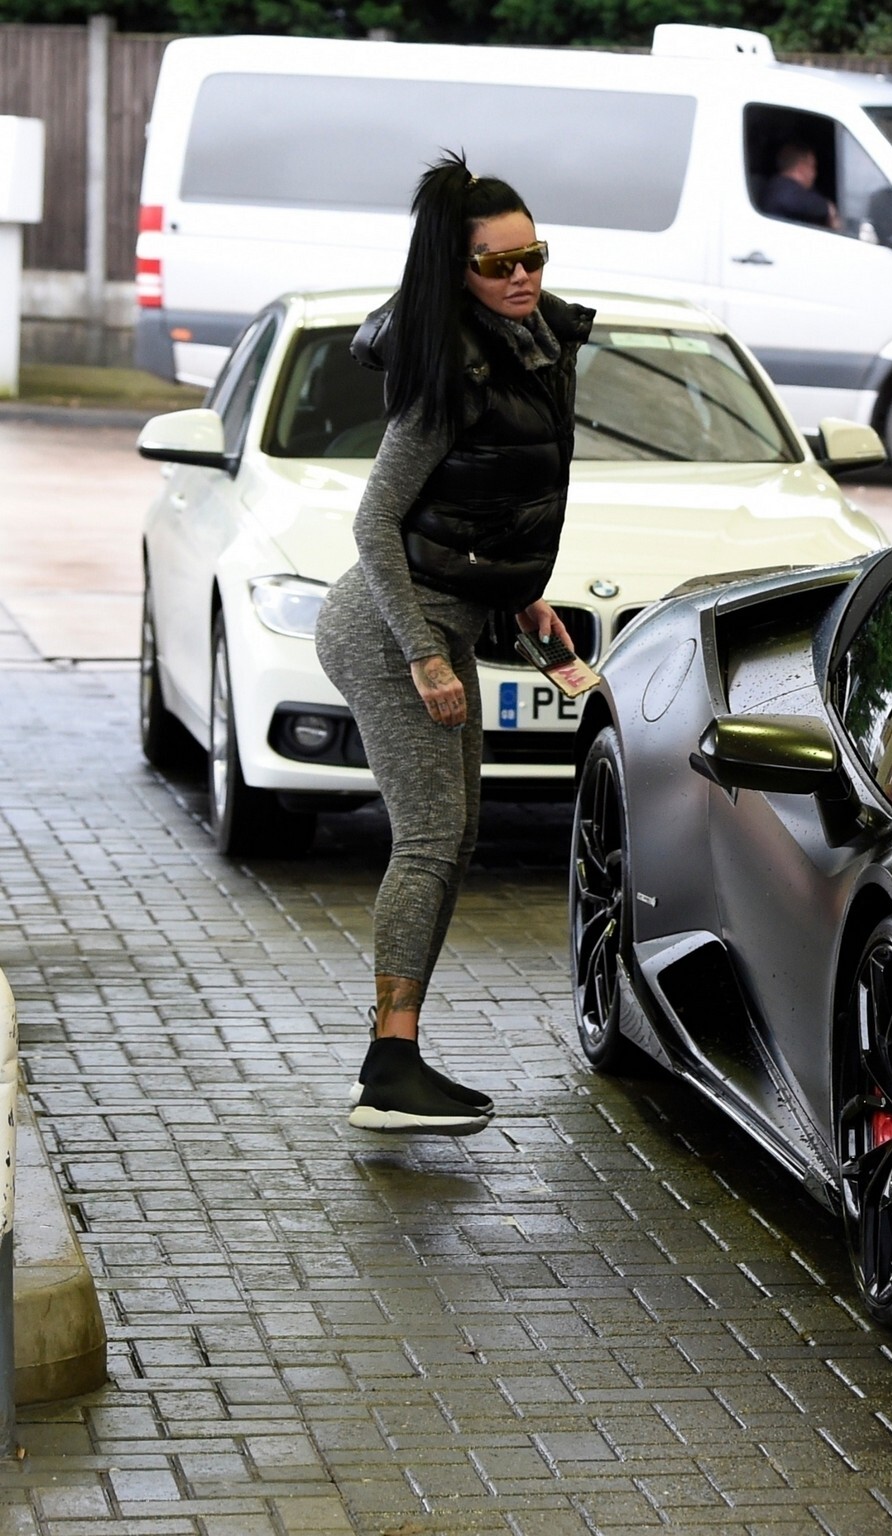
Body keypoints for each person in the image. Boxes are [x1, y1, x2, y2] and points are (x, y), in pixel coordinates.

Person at [314, 152, 594, 1135]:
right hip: (389, 622)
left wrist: (523, 599)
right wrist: (425, 657)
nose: (521, 278)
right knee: (431, 837)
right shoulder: (451, 374)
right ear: (457, 271)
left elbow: (484, 507)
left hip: (444, 614)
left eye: (533, 258)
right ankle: (389, 1068)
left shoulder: (536, 349)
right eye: (497, 265)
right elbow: (375, 523)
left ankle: (396, 1058)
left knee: (455, 835)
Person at [762, 141, 841, 231]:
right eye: (813, 166)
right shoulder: (780, 188)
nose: (814, 173)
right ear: (801, 168)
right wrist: (828, 208)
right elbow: (805, 203)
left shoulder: (795, 190)